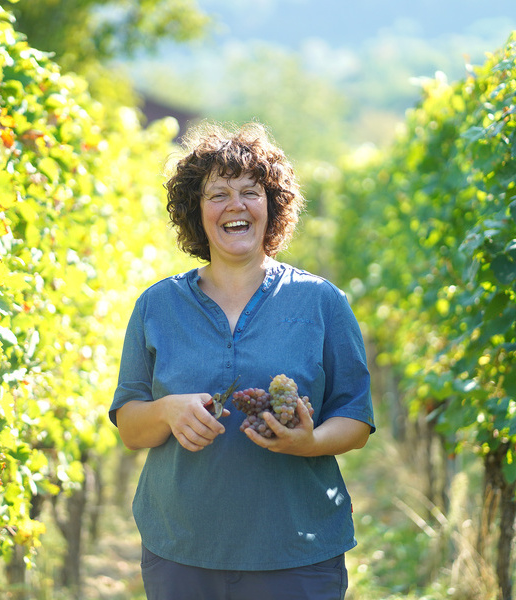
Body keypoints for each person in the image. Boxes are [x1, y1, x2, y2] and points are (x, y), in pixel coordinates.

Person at [109, 121, 375, 600]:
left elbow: (355, 419)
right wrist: (168, 410)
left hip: (298, 551)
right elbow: (130, 428)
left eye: (250, 191)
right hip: (182, 550)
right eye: (218, 194)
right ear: (196, 211)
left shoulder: (321, 301)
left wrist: (308, 442)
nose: (236, 205)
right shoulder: (157, 306)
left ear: (272, 206)